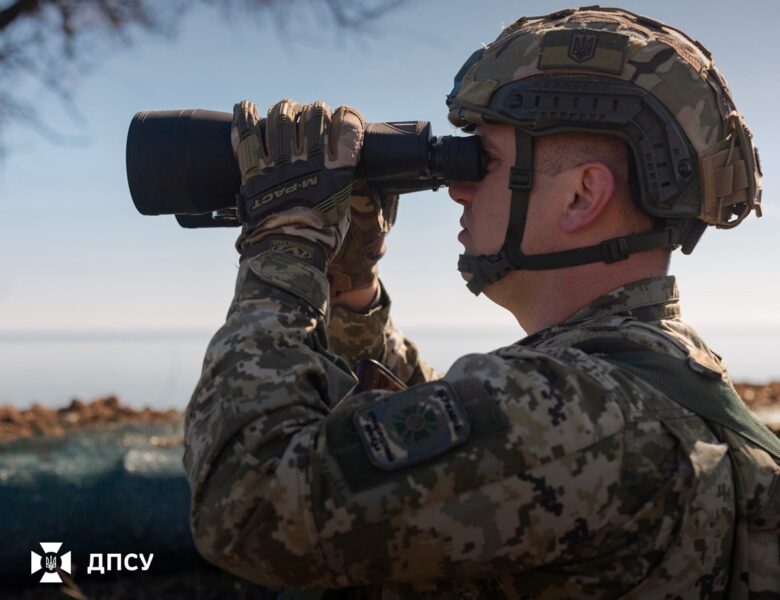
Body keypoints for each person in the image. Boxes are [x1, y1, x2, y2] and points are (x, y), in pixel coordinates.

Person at [183, 7, 780, 598]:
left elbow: (249, 503)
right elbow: (427, 429)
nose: (457, 188)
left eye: (484, 161)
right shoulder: (654, 376)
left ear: (581, 195)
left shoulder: (584, 412)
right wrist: (348, 287)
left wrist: (287, 246)